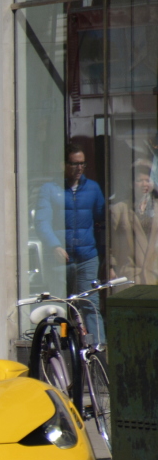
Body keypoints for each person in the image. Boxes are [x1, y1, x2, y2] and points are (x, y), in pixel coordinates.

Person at [34, 143, 106, 343]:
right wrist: (54, 245)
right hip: (60, 259)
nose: (79, 168)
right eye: (74, 164)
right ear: (63, 165)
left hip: (87, 257)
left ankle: (97, 348)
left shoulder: (92, 188)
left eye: (82, 164)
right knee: (59, 306)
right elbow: (41, 221)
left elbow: (102, 217)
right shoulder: (50, 189)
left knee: (90, 304)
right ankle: (61, 347)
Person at [109, 160, 158, 285]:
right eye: (139, 180)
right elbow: (110, 243)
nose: (144, 184)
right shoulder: (119, 209)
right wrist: (111, 267)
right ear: (131, 183)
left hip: (154, 273)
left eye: (147, 180)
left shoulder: (156, 208)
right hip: (130, 276)